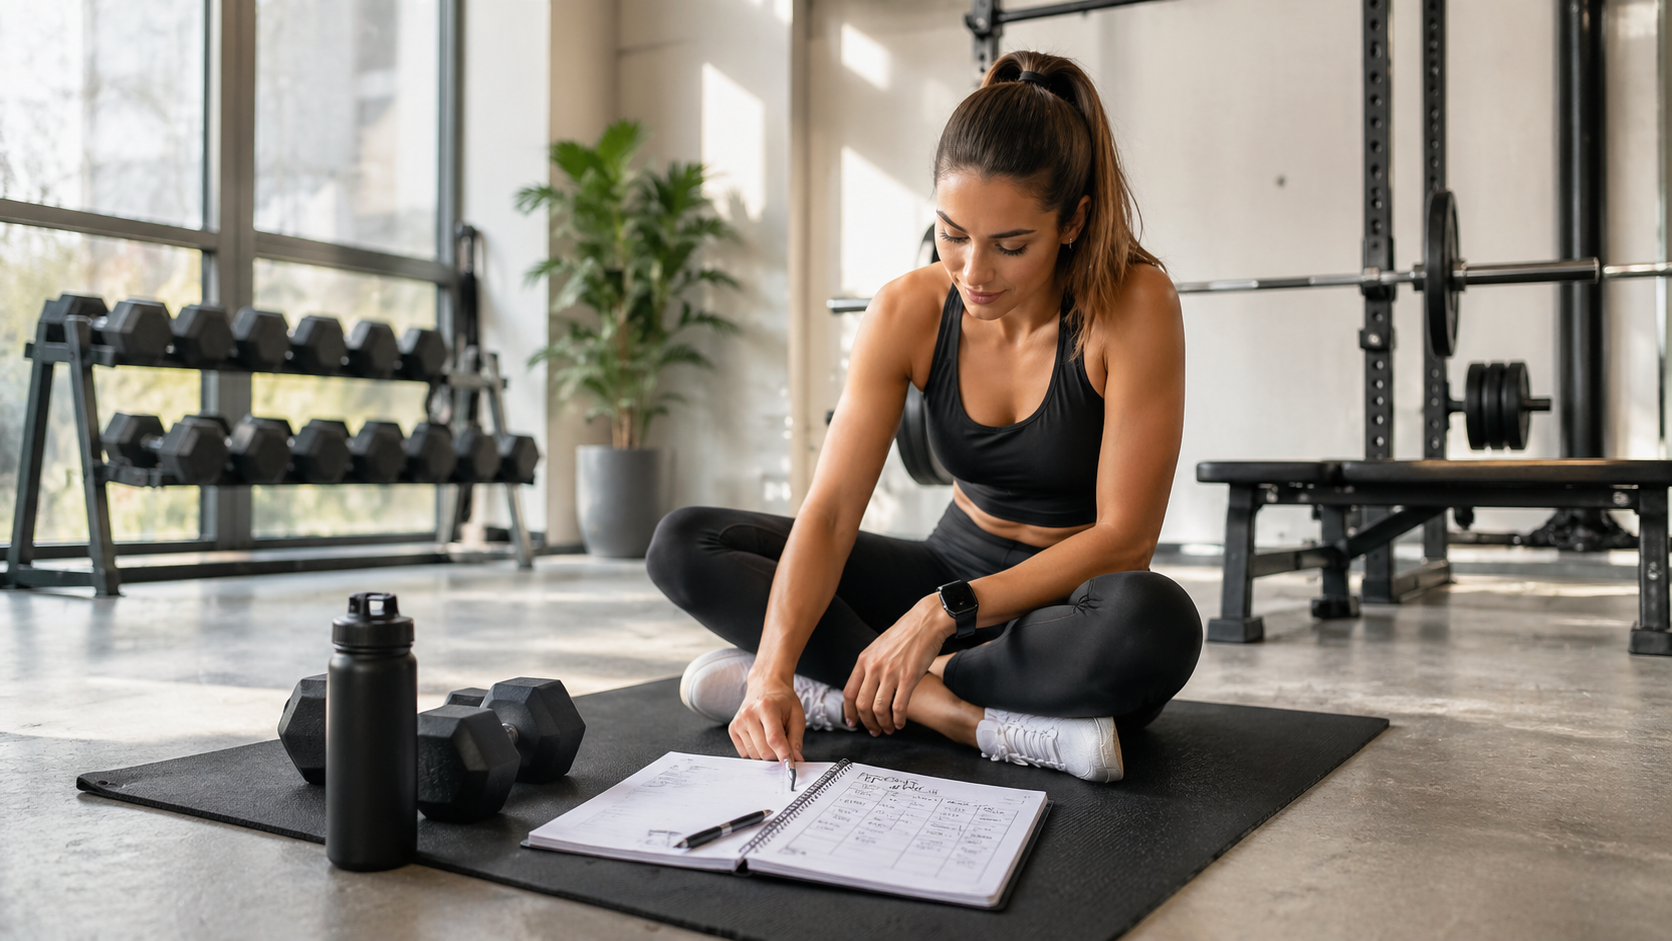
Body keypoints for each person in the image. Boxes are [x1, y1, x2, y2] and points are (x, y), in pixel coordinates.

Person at [646, 51, 1201, 783]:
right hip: (949, 562)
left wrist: (940, 616)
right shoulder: (907, 308)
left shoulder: (1135, 303)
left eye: (1011, 245)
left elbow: (1125, 539)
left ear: (1074, 222)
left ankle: (860, 684)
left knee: (1154, 623)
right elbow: (833, 511)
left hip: (1060, 606)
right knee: (687, 540)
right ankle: (955, 714)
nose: (975, 271)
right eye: (953, 234)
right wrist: (771, 673)